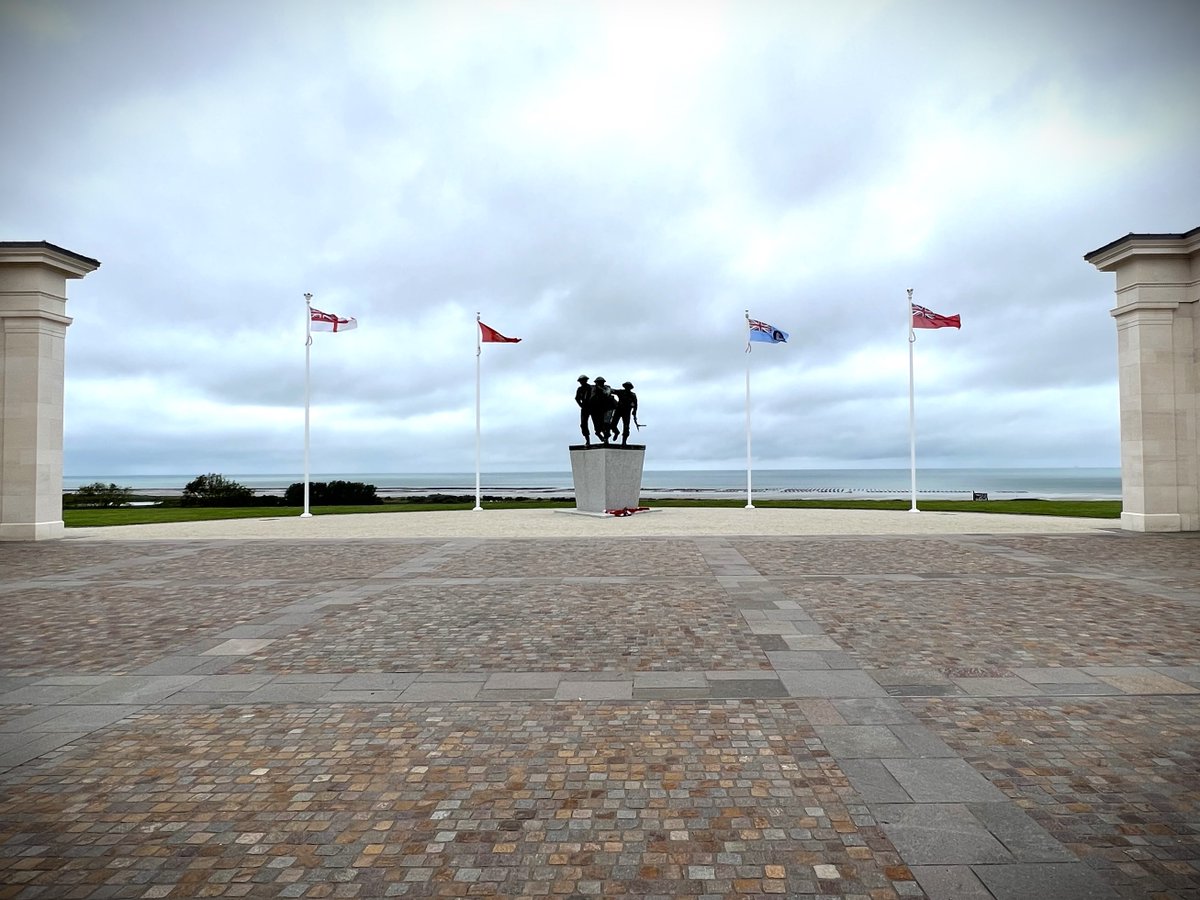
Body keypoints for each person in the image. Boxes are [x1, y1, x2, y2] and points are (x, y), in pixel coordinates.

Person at [588, 376, 617, 443]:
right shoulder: (593, 389)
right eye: (598, 383)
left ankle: (606, 438)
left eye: (601, 382)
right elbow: (591, 398)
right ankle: (600, 435)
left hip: (607, 408)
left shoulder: (607, 388)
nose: (599, 384)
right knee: (597, 425)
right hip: (596, 409)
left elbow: (612, 392)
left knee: (606, 424)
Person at [613, 381, 638, 446]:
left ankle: (624, 441)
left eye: (628, 387)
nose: (627, 388)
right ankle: (616, 432)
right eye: (626, 386)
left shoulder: (633, 395)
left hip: (626, 412)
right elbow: (613, 391)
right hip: (618, 410)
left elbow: (635, 404)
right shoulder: (620, 392)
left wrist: (634, 411)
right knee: (613, 424)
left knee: (626, 427)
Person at [575, 375, 592, 444]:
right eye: (580, 381)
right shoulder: (580, 389)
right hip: (585, 408)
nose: (581, 382)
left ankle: (604, 437)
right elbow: (577, 398)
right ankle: (587, 440)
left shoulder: (591, 388)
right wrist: (581, 405)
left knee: (598, 423)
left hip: (592, 407)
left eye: (583, 381)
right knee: (583, 424)